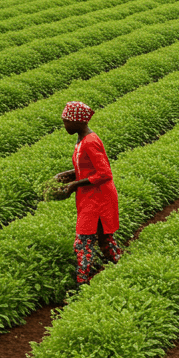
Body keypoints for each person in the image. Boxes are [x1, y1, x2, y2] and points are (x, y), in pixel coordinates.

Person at [52, 101, 121, 288]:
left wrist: (75, 184)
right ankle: (123, 268)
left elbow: (105, 173)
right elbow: (88, 168)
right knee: (105, 239)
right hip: (91, 197)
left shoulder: (90, 142)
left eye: (67, 121)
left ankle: (81, 286)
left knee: (83, 243)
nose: (64, 124)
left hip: (98, 199)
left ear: (78, 122)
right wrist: (69, 174)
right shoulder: (82, 140)